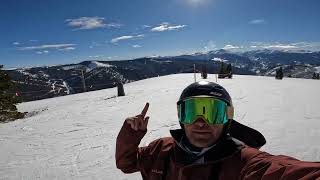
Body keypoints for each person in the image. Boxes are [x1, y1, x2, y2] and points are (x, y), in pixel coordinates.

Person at [116, 81, 320, 180]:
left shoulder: (244, 163)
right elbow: (127, 164)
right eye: (191, 112)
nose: (200, 122)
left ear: (228, 117)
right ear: (181, 118)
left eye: (213, 112)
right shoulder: (161, 149)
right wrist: (131, 134)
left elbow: (282, 172)